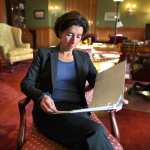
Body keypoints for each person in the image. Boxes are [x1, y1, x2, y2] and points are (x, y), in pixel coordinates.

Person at [21, 11, 114, 150]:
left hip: (77, 111)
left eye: (78, 36)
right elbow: (26, 83)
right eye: (69, 34)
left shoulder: (83, 58)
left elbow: (98, 81)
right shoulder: (44, 54)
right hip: (50, 111)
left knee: (88, 139)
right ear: (60, 32)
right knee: (96, 132)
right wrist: (41, 97)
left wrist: (115, 94)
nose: (73, 41)